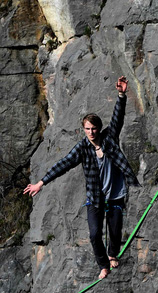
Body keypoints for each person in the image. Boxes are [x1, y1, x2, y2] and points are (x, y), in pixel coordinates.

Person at [24, 76, 140, 279]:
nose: (91, 132)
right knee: (95, 234)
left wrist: (121, 95)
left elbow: (117, 118)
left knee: (115, 231)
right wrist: (41, 183)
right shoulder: (82, 148)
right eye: (87, 129)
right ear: (83, 130)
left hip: (115, 194)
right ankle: (103, 265)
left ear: (98, 128)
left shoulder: (109, 138)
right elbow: (63, 164)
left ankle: (113, 254)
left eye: (94, 128)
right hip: (95, 197)